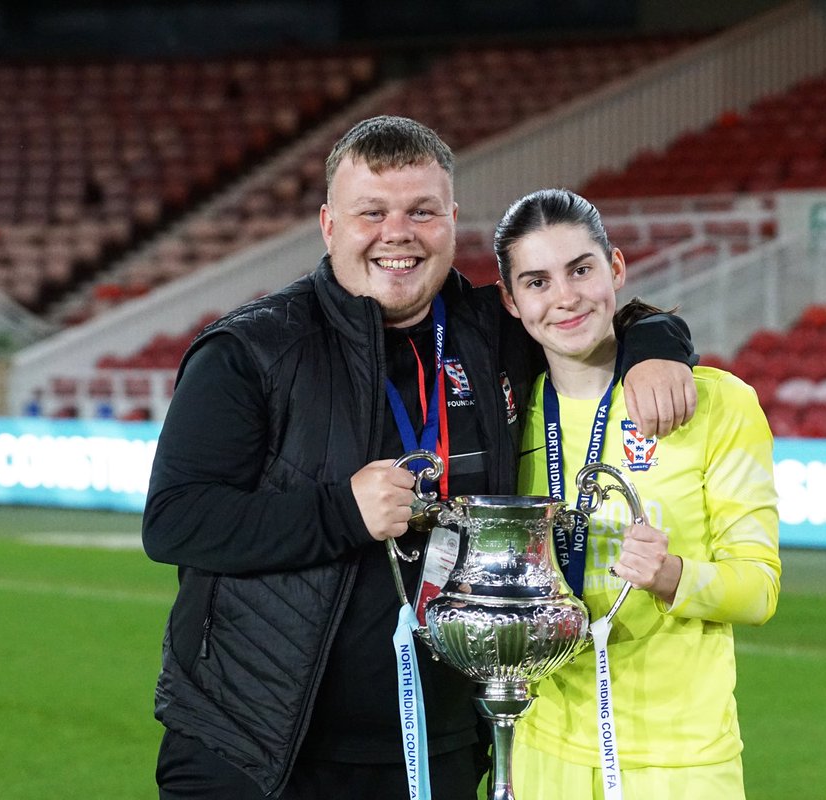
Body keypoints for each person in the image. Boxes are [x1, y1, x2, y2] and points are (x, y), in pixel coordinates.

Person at [141, 116, 699, 800]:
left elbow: (591, 311)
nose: (397, 233)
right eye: (371, 212)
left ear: (452, 220)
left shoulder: (493, 331)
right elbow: (175, 522)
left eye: (421, 212)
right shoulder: (250, 352)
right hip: (256, 748)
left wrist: (656, 346)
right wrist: (340, 512)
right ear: (329, 225)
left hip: (437, 749)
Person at [493, 188, 781, 799]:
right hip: (541, 751)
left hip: (679, 761)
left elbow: (759, 589)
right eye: (537, 282)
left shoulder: (716, 403)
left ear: (616, 269)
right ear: (511, 302)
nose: (565, 298)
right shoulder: (507, 417)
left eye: (581, 269)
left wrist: (673, 576)